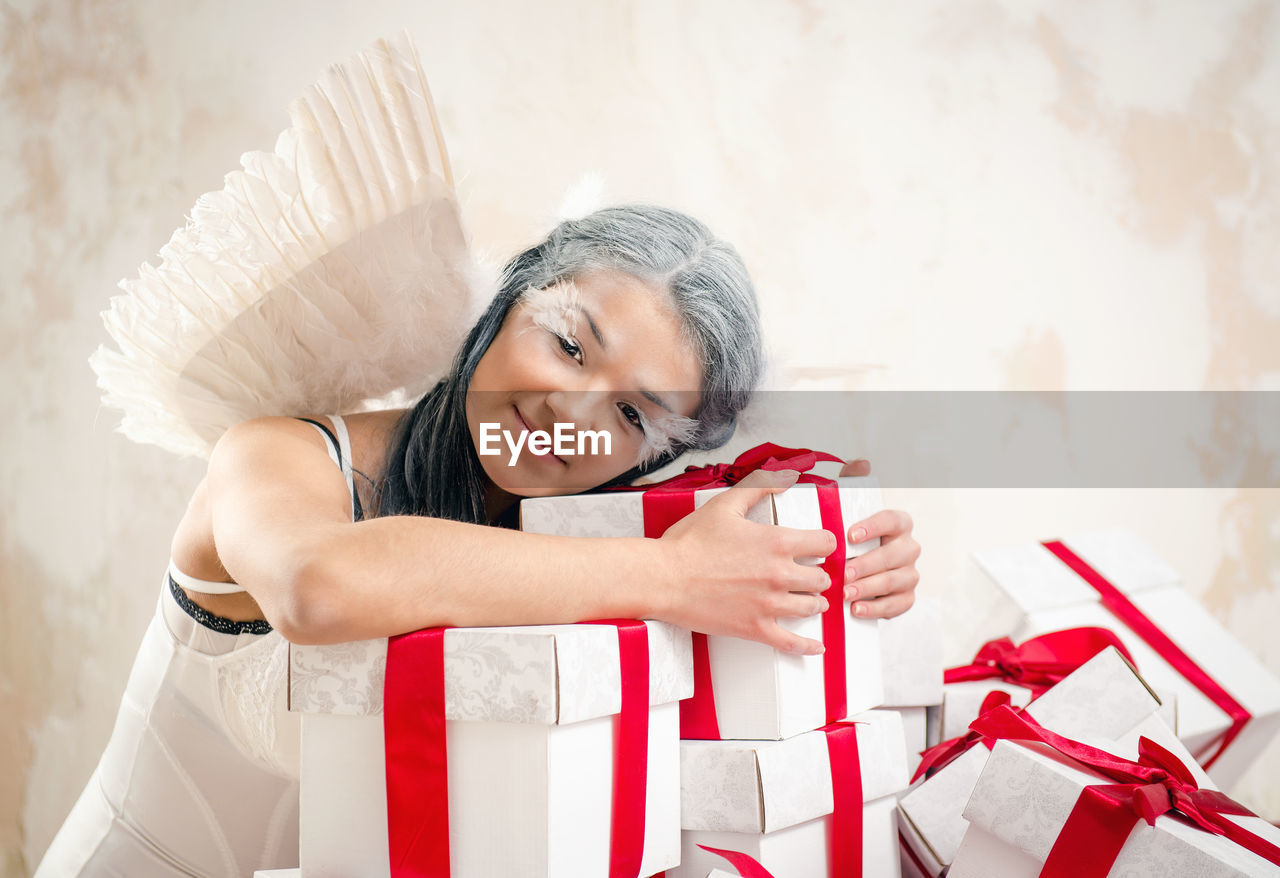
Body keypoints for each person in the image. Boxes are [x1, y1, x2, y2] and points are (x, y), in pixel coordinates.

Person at [34, 205, 920, 877]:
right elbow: (318, 587)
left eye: (630, 412)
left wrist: (841, 569)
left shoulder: (582, 535)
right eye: (570, 346)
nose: (566, 415)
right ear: (509, 301)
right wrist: (675, 570)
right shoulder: (278, 454)